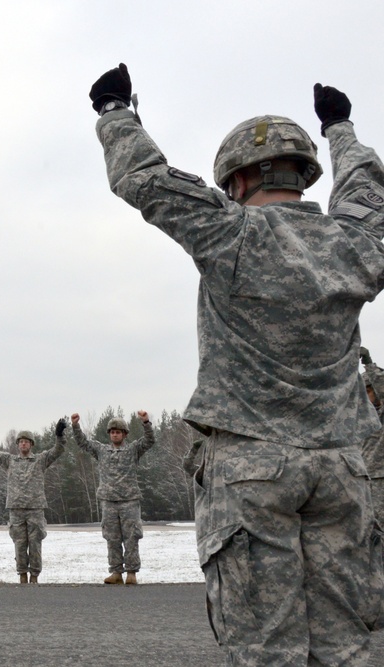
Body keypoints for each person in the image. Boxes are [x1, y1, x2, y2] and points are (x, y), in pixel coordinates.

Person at [90, 62, 384, 662]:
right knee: (347, 647)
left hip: (252, 467)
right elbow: (366, 193)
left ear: (237, 180)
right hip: (342, 467)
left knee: (265, 648)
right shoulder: (356, 244)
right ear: (302, 176)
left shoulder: (230, 233)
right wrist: (341, 128)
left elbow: (146, 179)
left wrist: (115, 113)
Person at [0, 420, 66, 584]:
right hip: (16, 509)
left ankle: (34, 576)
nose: (23, 444)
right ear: (17, 445)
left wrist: (59, 435)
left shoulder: (40, 460)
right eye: (21, 442)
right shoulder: (10, 460)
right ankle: (22, 574)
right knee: (19, 543)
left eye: (26, 442)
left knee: (35, 543)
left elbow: (57, 450)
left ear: (31, 444)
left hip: (35, 508)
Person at [70, 412, 153, 585]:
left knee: (131, 537)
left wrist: (146, 422)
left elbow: (149, 441)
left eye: (118, 432)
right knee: (112, 537)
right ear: (109, 434)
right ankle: (116, 572)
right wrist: (76, 426)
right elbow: (83, 443)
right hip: (108, 501)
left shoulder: (132, 449)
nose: (115, 434)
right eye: (112, 432)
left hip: (129, 500)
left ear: (124, 434)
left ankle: (131, 573)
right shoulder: (101, 450)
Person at [359, 347, 384, 521]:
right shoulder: (358, 416)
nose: (365, 397)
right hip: (361, 478)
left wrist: (368, 363)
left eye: (368, 391)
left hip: (379, 478)